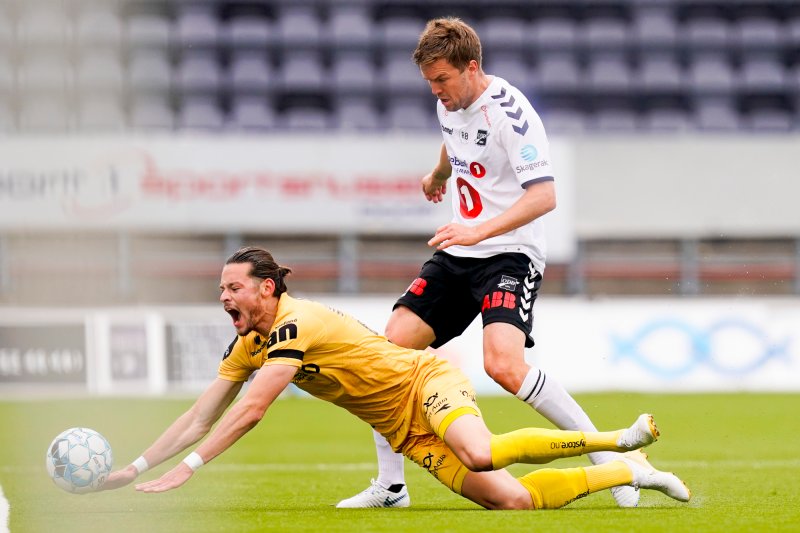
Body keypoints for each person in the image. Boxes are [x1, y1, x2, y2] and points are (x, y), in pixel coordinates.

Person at [103, 246, 690, 511]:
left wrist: (189, 469)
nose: (223, 295)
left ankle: (619, 441)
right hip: (403, 430)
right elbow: (201, 414)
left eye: (233, 286)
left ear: (266, 288)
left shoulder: (293, 324)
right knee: (512, 501)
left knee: (481, 454)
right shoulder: (247, 343)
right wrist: (135, 467)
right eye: (221, 288)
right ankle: (625, 473)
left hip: (424, 381)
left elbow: (251, 410)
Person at [337, 17, 646, 509]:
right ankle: (391, 486)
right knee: (387, 356)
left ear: (472, 67)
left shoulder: (512, 114)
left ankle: (615, 464)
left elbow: (544, 197)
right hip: (459, 252)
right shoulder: (450, 102)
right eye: (429, 82)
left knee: (503, 366)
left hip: (511, 253)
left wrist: (477, 229)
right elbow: (454, 135)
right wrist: (439, 173)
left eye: (442, 80)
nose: (436, 91)